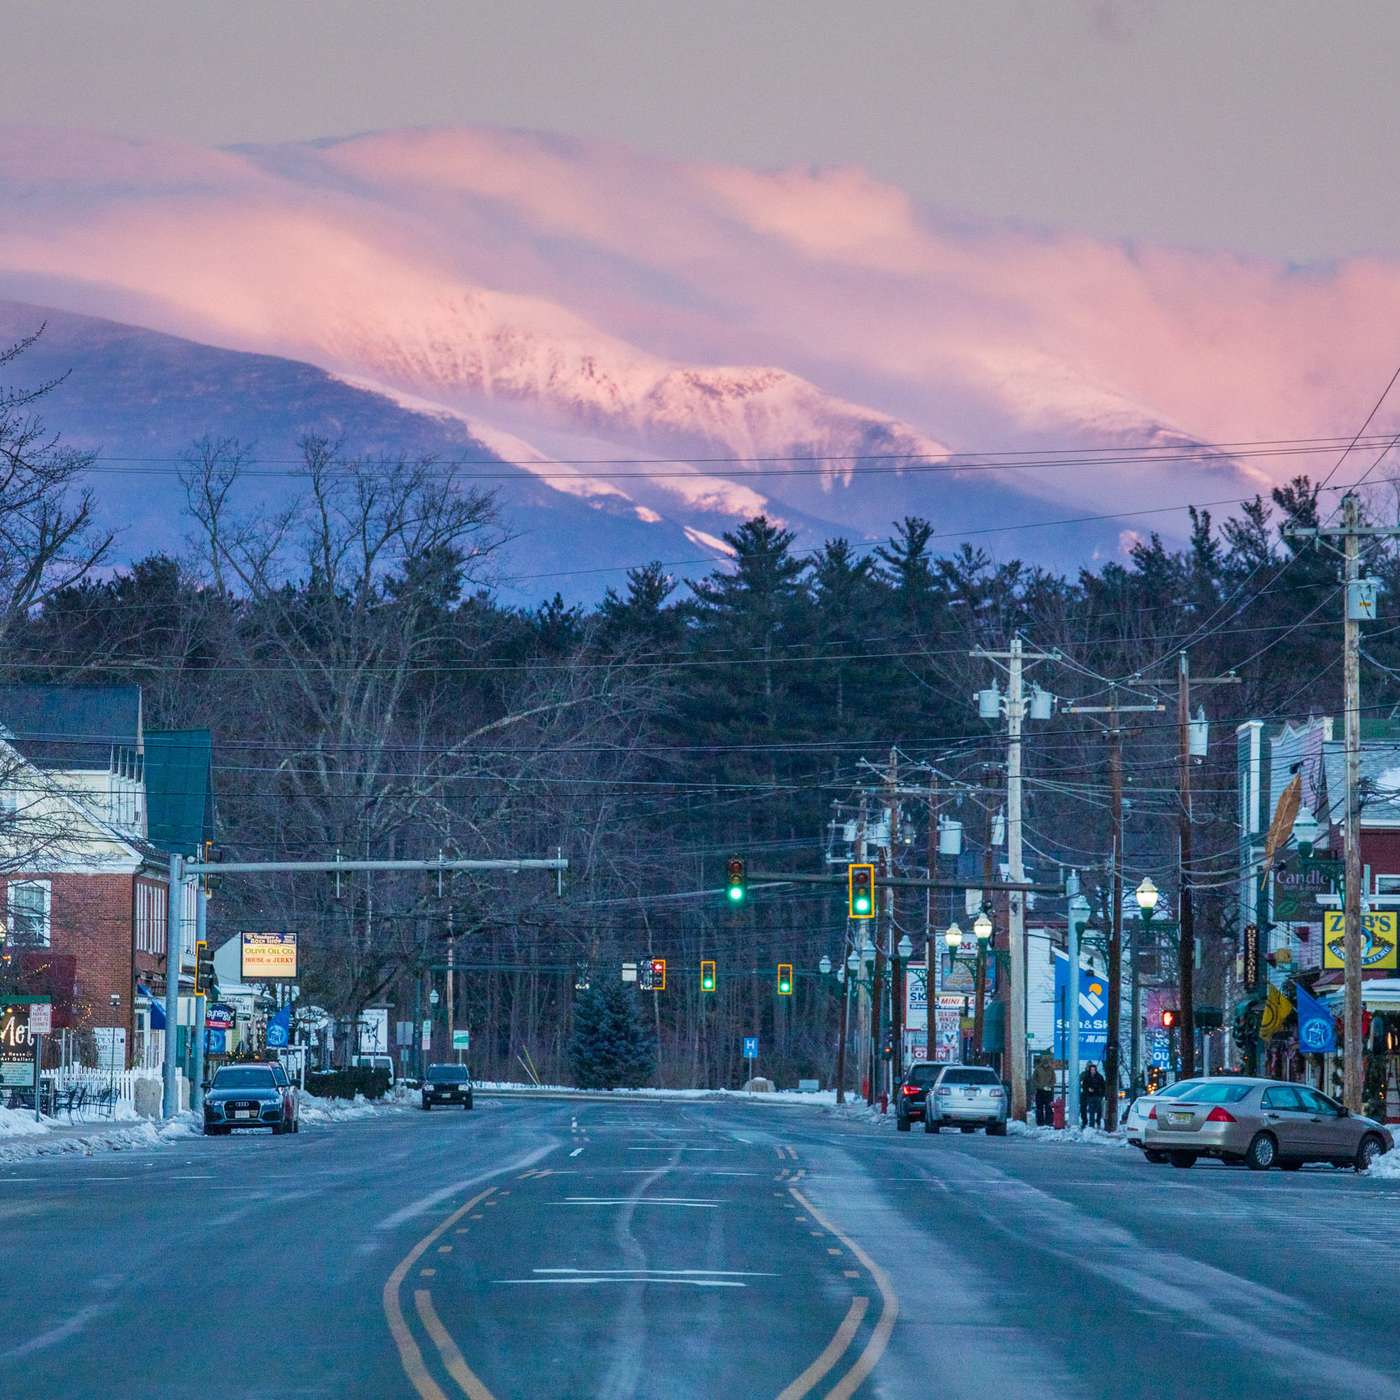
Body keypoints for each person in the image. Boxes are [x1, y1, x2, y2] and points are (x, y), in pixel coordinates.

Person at [1080, 1062, 1107, 1129]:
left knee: (1099, 1110)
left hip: (1098, 1095)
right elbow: (1084, 1085)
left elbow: (1103, 1086)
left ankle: (1098, 1122)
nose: (1092, 1071)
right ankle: (1091, 1124)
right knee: (1091, 1110)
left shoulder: (1099, 1077)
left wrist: (1101, 1093)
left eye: (1093, 1069)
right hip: (1089, 1095)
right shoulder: (1086, 1076)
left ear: (1095, 1070)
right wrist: (1087, 1090)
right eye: (1091, 1069)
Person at [1033, 1050, 1056, 1127]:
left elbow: (1053, 1079)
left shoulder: (1051, 1069)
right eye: (1044, 1061)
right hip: (1039, 1091)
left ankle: (1048, 1122)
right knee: (1039, 1107)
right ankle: (1040, 1123)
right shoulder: (1038, 1069)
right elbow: (1034, 1079)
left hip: (1048, 1091)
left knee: (1049, 1107)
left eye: (1047, 1061)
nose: (1046, 1063)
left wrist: (1049, 1086)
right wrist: (1040, 1086)